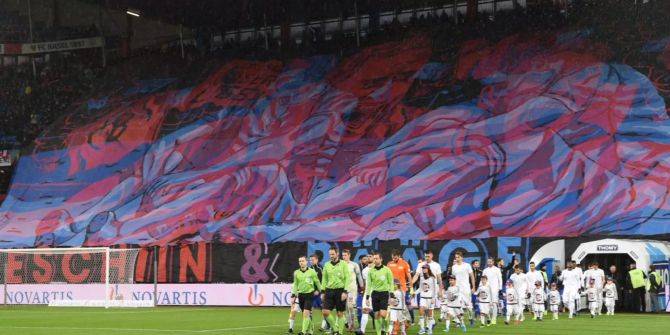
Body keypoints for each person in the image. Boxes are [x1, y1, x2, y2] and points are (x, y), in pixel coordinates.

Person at [291, 255, 324, 335]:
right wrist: (293, 295)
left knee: (306, 313)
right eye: (300, 261)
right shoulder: (296, 273)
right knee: (305, 314)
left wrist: (322, 292)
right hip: (301, 295)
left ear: (306, 262)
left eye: (303, 261)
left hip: (309, 295)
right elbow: (295, 284)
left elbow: (317, 282)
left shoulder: (312, 272)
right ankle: (310, 329)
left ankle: (303, 331)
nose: (301, 262)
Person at [321, 247, 350, 335]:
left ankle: (339, 333)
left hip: (340, 291)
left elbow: (347, 278)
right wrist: (322, 291)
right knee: (325, 312)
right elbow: (324, 278)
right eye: (330, 254)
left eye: (333, 254)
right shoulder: (327, 264)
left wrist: (345, 291)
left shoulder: (343, 264)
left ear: (337, 253)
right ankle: (335, 329)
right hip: (329, 290)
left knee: (340, 313)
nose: (331, 256)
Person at [365, 251, 394, 335]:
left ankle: (387, 329)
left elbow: (391, 282)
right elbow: (369, 284)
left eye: (376, 258)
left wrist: (391, 295)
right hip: (375, 294)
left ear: (381, 259)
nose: (375, 260)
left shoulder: (387, 270)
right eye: (374, 258)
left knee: (383, 314)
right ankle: (378, 333)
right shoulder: (371, 271)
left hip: (384, 294)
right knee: (376, 315)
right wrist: (367, 296)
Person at [412, 250, 442, 330]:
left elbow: (439, 279)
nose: (427, 258)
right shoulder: (420, 265)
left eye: (428, 256)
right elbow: (416, 275)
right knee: (422, 309)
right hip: (423, 290)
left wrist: (441, 291)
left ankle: (429, 326)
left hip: (432, 291)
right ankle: (431, 324)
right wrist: (411, 283)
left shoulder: (436, 265)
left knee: (428, 311)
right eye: (426, 256)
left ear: (432, 256)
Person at [387, 249, 413, 332]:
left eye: (395, 258)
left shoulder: (405, 264)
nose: (394, 259)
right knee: (394, 307)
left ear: (399, 256)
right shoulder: (389, 264)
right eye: (393, 258)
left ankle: (396, 329)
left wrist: (411, 287)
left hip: (402, 289)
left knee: (398, 307)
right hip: (391, 288)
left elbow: (408, 275)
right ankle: (404, 322)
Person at [451, 251, 476, 326]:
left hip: (466, 288)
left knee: (468, 306)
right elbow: (453, 278)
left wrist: (473, 287)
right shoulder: (454, 267)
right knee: (457, 305)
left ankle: (471, 318)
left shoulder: (467, 265)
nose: (457, 259)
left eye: (458, 257)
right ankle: (459, 322)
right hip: (457, 289)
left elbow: (472, 276)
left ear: (462, 257)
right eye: (456, 257)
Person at [342, 249, 364, 332]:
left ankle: (352, 324)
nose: (344, 257)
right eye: (343, 255)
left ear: (349, 255)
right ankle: (348, 322)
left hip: (351, 290)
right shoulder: (340, 265)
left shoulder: (354, 265)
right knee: (345, 308)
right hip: (343, 290)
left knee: (350, 306)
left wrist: (362, 286)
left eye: (345, 255)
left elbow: (359, 276)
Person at [417, 264, 439, 335]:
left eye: (425, 268)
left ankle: (429, 329)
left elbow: (435, 288)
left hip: (430, 298)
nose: (424, 269)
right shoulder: (421, 277)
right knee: (421, 311)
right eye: (423, 268)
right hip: (423, 297)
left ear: (428, 269)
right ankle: (422, 329)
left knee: (430, 315)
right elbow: (420, 288)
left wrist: (434, 298)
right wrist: (415, 292)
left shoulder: (432, 278)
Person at [310, 254, 329, 332]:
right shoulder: (309, 269)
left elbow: (324, 280)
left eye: (313, 259)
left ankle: (329, 325)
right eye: (310, 260)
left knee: (324, 311)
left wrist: (320, 291)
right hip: (311, 293)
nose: (311, 261)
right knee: (309, 310)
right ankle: (310, 327)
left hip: (319, 294)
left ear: (317, 260)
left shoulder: (320, 268)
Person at [357, 257, 375, 335]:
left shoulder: (379, 269)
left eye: (371, 257)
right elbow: (365, 282)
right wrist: (364, 292)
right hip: (367, 294)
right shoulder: (364, 271)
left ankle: (384, 329)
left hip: (378, 294)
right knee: (365, 310)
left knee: (379, 314)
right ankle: (362, 331)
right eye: (368, 257)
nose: (369, 258)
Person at [482, 256, 502, 325]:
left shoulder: (497, 269)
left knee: (494, 303)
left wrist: (500, 288)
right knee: (487, 304)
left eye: (490, 262)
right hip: (486, 289)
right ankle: (489, 318)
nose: (489, 263)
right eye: (488, 262)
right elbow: (482, 280)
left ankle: (494, 319)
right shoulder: (485, 270)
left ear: (493, 262)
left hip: (494, 288)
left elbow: (500, 279)